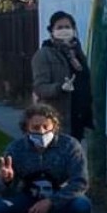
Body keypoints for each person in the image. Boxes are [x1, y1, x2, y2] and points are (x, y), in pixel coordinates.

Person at [0, 103, 92, 213]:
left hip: (61, 197)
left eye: (45, 126)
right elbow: (2, 192)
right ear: (26, 129)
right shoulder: (16, 149)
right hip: (28, 197)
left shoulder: (70, 146)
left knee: (82, 205)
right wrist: (6, 180)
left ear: (54, 126)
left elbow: (80, 182)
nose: (41, 132)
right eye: (35, 128)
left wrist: (51, 201)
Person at [31, 11, 93, 141]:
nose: (64, 30)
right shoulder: (44, 55)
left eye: (67, 27)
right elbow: (40, 88)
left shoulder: (76, 52)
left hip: (78, 117)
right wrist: (60, 88)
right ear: (51, 30)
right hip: (57, 119)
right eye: (59, 27)